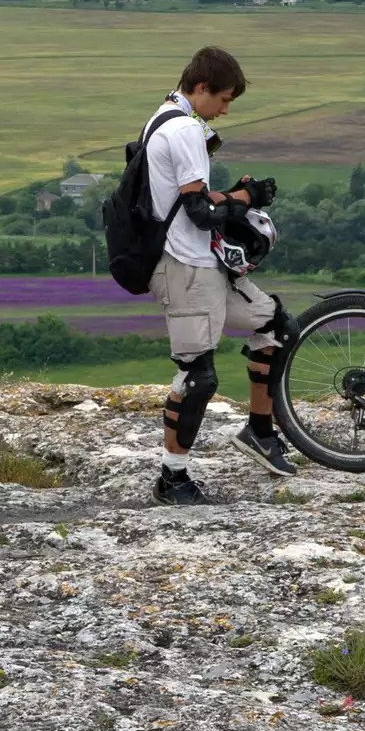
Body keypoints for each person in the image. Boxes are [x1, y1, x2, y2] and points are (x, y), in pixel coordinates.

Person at [142, 46, 297, 505]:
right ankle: (172, 479)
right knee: (198, 375)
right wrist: (246, 199)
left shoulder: (164, 115)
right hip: (183, 267)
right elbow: (198, 211)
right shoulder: (186, 129)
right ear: (202, 88)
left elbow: (191, 198)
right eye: (224, 100)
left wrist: (236, 194)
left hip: (203, 264)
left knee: (274, 327)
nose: (226, 110)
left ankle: (259, 431)